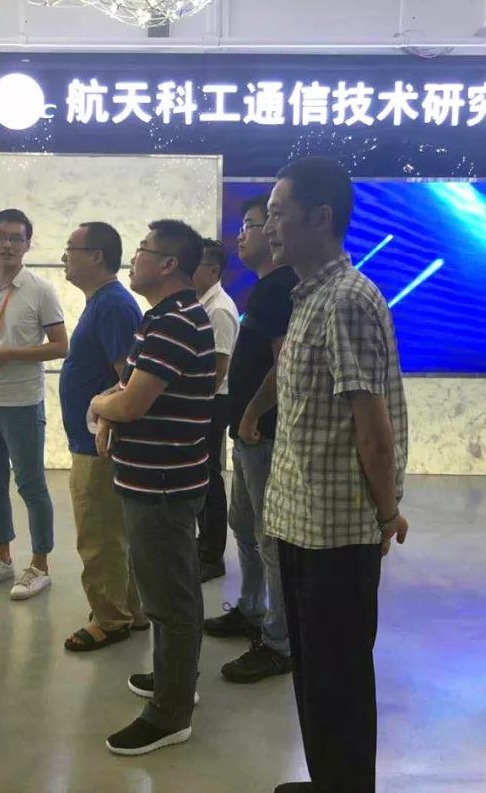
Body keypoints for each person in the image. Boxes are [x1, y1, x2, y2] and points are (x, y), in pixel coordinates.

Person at [242, 158, 410, 793]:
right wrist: (252, 412)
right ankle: (328, 781)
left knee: (339, 678)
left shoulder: (346, 302)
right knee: (314, 672)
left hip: (336, 535)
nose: (268, 226)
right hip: (300, 521)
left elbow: (373, 430)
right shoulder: (309, 296)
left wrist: (387, 512)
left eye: (278, 213)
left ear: (321, 218)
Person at [89, 219, 214, 756]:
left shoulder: (175, 323)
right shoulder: (159, 318)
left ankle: (171, 712)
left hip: (163, 486)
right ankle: (173, 678)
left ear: (168, 264)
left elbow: (131, 401)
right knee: (166, 591)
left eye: (142, 250)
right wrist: (111, 407)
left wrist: (99, 406)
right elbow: (128, 387)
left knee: (169, 599)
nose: (133, 258)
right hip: (152, 480)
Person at [203, 194, 299, 685]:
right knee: (243, 523)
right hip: (247, 434)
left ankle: (279, 641)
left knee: (267, 535)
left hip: (262, 432)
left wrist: (252, 414)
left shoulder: (279, 289)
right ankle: (251, 607)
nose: (242, 234)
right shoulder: (264, 289)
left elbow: (285, 365)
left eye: (252, 224)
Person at [0, 208, 68, 601]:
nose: (7, 244)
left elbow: (60, 345)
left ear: (27, 244)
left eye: (16, 238)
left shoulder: (40, 290)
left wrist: (11, 354)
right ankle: (2, 559)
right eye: (0, 236)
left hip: (21, 403)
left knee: (31, 485)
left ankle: (39, 566)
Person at [58, 221, 149, 652]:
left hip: (99, 445)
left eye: (71, 248)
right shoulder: (104, 302)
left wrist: (102, 416)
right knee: (112, 532)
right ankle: (129, 609)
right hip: (93, 441)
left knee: (97, 536)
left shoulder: (112, 305)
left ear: (96, 256)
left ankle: (110, 620)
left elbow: (128, 381)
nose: (64, 256)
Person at [192, 238, 241, 582]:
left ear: (213, 271)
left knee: (208, 478)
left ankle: (212, 556)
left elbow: (219, 369)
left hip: (213, 401)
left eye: (195, 264)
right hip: (204, 401)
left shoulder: (219, 309)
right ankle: (203, 544)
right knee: (200, 476)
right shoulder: (201, 303)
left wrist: (195, 407)